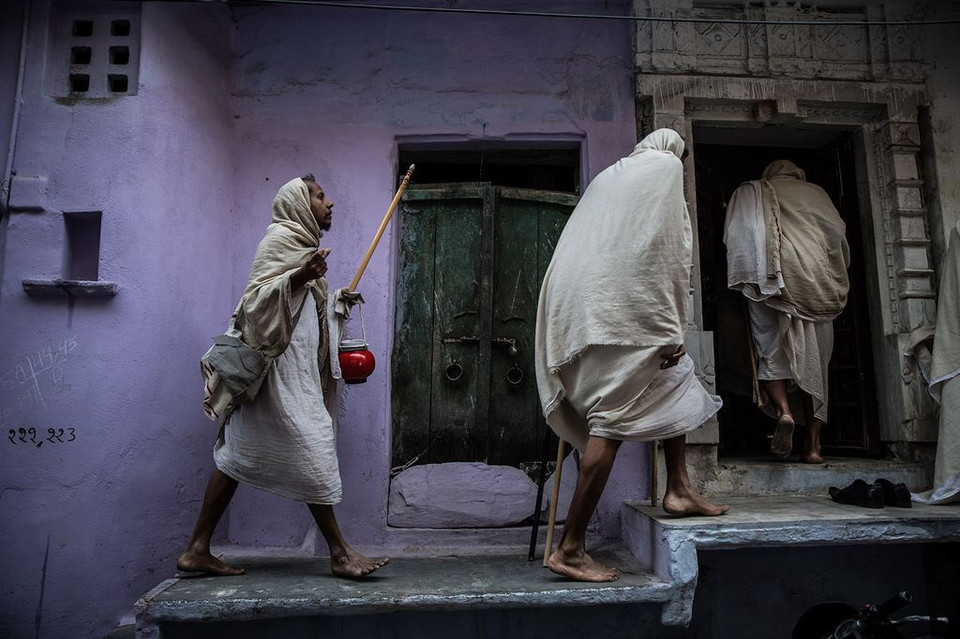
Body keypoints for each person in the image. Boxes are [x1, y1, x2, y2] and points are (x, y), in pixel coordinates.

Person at [535, 129, 728, 583]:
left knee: (677, 376)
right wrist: (671, 325)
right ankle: (570, 547)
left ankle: (678, 489)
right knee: (612, 421)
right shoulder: (666, 168)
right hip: (619, 317)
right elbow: (666, 253)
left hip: (579, 315)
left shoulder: (610, 176)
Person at [177, 175, 389, 578]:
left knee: (236, 454)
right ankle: (340, 552)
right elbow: (254, 303)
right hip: (273, 376)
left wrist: (334, 300)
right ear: (298, 201)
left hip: (293, 373)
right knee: (312, 444)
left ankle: (196, 548)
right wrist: (297, 276)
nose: (331, 202)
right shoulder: (279, 240)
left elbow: (302, 310)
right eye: (320, 195)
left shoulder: (303, 246)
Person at [724, 160, 850, 463]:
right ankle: (814, 447)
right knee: (815, 365)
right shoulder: (818, 194)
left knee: (771, 353)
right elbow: (838, 239)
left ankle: (784, 411)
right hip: (818, 290)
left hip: (771, 285)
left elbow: (736, 235)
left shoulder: (754, 191)